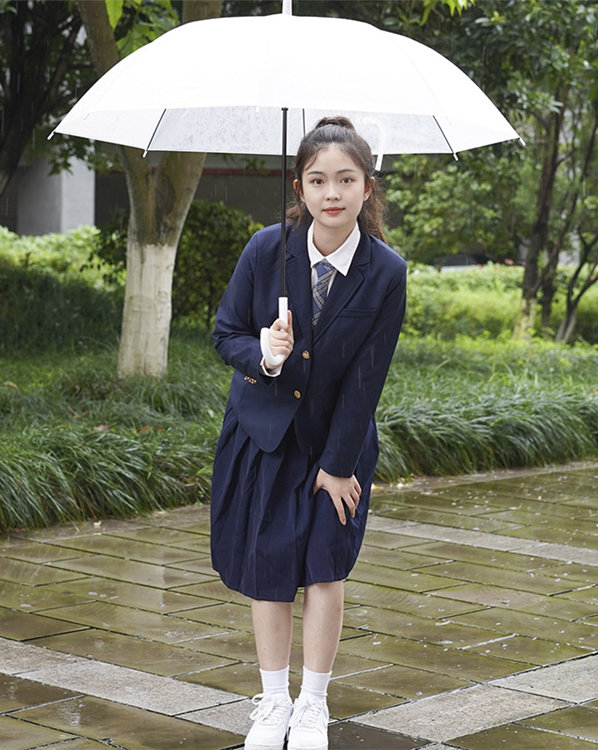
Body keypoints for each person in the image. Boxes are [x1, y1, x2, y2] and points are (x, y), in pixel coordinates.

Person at [210, 116, 407, 750]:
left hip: (335, 446)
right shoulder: (266, 249)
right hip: (264, 435)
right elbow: (225, 333)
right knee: (268, 568)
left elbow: (368, 376)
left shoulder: (386, 271)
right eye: (318, 180)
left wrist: (339, 465)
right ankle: (273, 703)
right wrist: (265, 355)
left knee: (326, 569)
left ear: (367, 187)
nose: (332, 193)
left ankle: (313, 705)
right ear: (299, 187)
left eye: (346, 180)